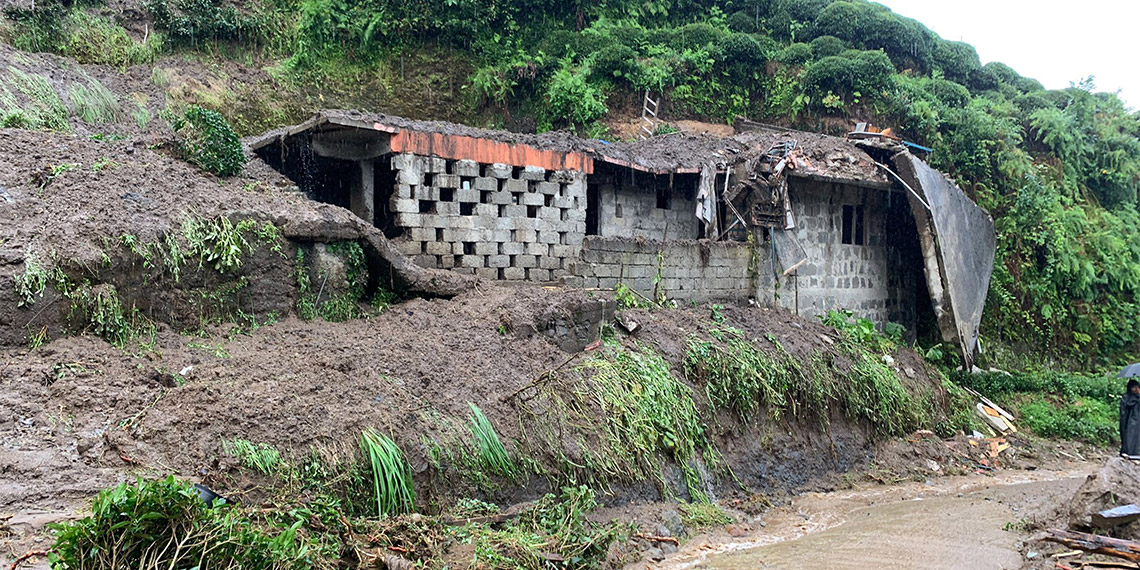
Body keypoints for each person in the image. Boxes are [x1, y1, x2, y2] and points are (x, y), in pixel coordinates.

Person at [1120, 379, 1140, 459]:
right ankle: (1128, 452)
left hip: (1137, 420)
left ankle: (1136, 452)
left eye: (1137, 387)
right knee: (1128, 436)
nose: (1136, 389)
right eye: (1134, 387)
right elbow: (1123, 410)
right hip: (1128, 420)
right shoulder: (1126, 397)